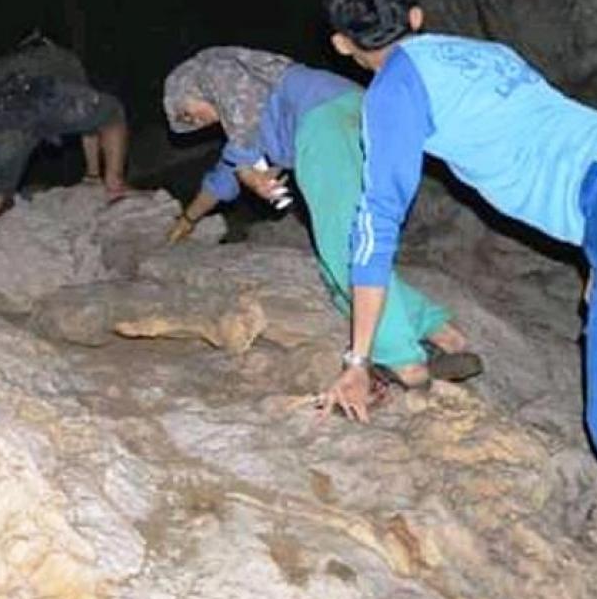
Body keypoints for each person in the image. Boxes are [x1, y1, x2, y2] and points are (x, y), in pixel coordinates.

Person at [322, 0, 597, 599]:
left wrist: (358, 359)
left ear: (341, 44)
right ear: (415, 16)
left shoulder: (393, 91)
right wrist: (596, 255)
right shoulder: (480, 52)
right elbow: (543, 132)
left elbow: (375, 222)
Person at [162, 46, 480, 389]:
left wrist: (246, 170)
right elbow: (222, 179)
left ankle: (405, 364)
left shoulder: (222, 75)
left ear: (195, 88)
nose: (195, 124)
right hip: (363, 114)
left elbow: (236, 121)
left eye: (188, 114)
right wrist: (188, 220)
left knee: (344, 251)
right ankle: (443, 334)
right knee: (353, 256)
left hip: (325, 124)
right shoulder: (258, 110)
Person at [0, 34, 132, 296]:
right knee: (112, 113)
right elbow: (89, 127)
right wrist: (93, 174)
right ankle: (114, 183)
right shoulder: (62, 58)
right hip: (48, 93)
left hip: (0, 111)